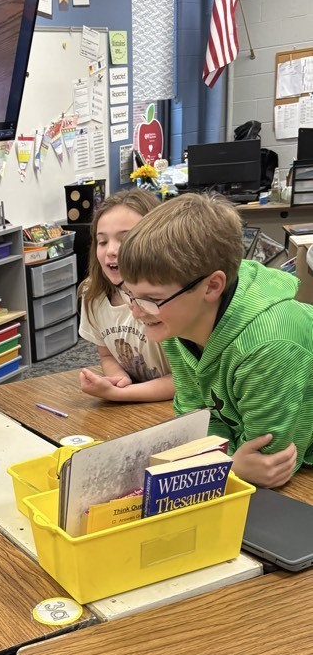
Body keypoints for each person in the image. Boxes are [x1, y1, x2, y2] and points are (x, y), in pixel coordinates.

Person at [117, 191, 313, 488]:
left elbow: (273, 461)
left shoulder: (269, 344)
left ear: (212, 286)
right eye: (129, 293)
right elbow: (198, 418)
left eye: (151, 298)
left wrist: (225, 463)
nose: (136, 311)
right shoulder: (175, 318)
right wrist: (230, 463)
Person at [77, 189, 175, 402]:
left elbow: (187, 378)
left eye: (126, 238)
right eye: (102, 241)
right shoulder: (92, 294)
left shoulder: (175, 297)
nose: (111, 250)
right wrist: (118, 378)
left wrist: (120, 394)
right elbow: (107, 354)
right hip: (139, 403)